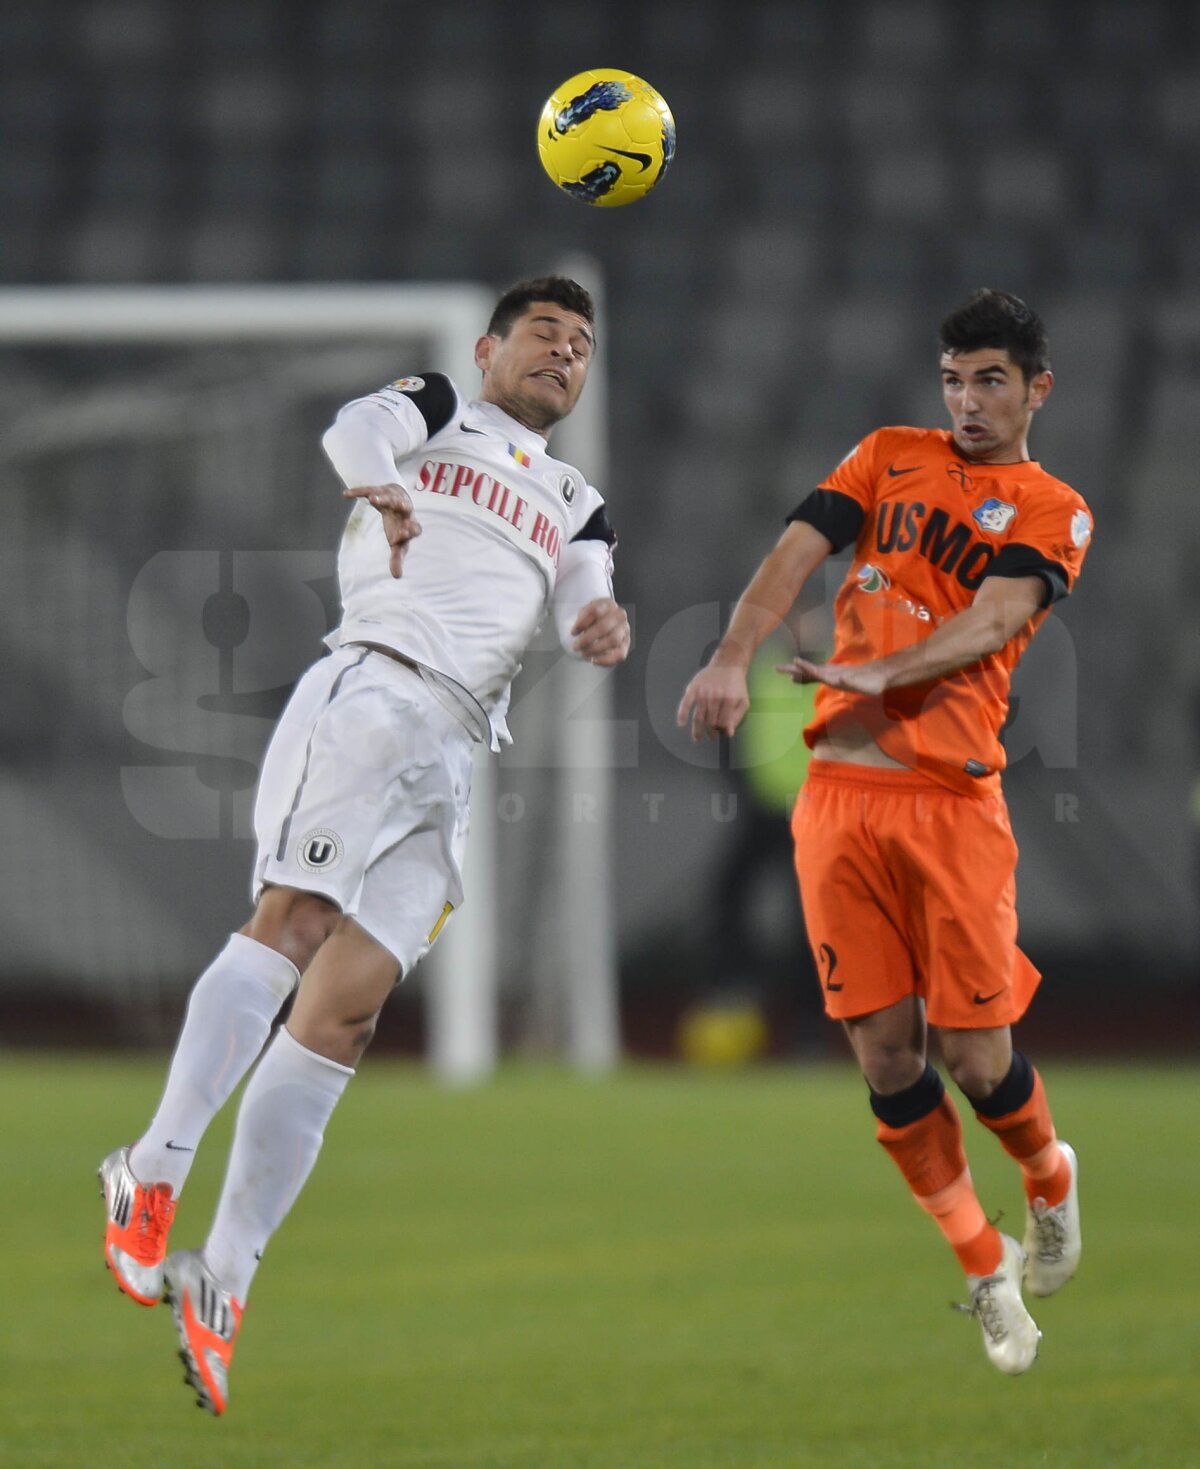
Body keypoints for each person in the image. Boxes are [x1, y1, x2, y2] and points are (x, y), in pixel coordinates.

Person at [99, 276, 630, 1415]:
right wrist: (379, 487)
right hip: (372, 690)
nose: (563, 354)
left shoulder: (579, 496)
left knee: (344, 1009)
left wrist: (603, 621)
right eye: (544, 333)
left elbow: (591, 589)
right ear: (491, 348)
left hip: (451, 753)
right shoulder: (442, 406)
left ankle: (224, 1275)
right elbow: (356, 424)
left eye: (580, 345)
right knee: (290, 923)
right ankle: (150, 1170)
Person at [677, 289, 1091, 1374]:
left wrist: (880, 670)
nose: (966, 401)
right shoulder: (886, 455)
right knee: (887, 1055)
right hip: (837, 803)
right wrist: (732, 652)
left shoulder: (1055, 508)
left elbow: (997, 618)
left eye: (990, 380)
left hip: (951, 802)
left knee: (976, 1054)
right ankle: (983, 1266)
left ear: (1036, 388)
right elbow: (795, 550)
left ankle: (1049, 1176)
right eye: (954, 378)